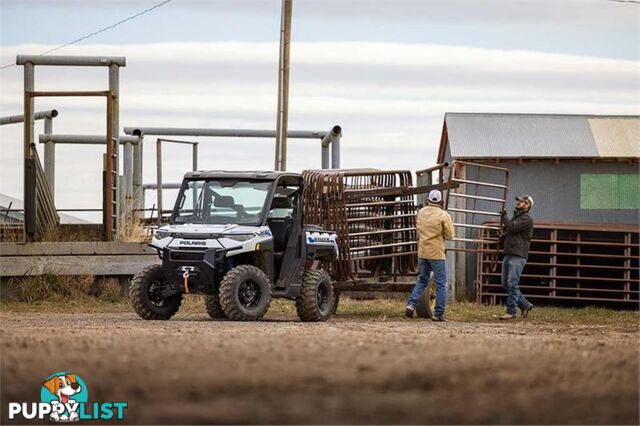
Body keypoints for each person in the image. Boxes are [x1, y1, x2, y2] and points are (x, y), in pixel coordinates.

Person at [405, 189, 454, 322]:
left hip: (422, 252)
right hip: (437, 253)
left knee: (422, 280)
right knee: (441, 283)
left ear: (428, 200)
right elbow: (450, 235)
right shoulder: (443, 215)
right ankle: (438, 313)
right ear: (440, 201)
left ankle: (411, 304)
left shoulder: (421, 212)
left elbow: (418, 229)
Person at [499, 194, 535, 320]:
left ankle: (511, 311)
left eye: (522, 201)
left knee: (512, 283)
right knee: (505, 283)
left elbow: (512, 227)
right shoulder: (517, 217)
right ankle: (525, 305)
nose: (519, 202)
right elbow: (510, 229)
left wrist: (504, 218)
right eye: (519, 200)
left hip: (518, 255)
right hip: (510, 253)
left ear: (527, 205)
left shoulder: (527, 219)